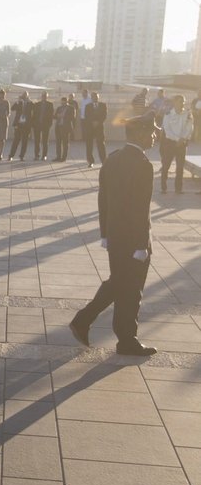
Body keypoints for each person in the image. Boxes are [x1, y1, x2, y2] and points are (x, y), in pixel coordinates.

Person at [69, 113, 160, 357]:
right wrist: (142, 245)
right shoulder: (143, 164)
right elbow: (141, 208)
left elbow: (103, 200)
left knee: (120, 284)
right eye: (151, 131)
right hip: (134, 241)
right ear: (140, 133)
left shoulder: (113, 159)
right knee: (131, 290)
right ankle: (97, 325)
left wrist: (105, 233)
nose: (154, 136)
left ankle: (120, 336)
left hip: (116, 237)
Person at [158, 94, 194, 194]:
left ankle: (178, 189)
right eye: (180, 101)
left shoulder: (188, 114)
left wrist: (182, 139)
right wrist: (178, 139)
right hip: (170, 143)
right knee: (166, 165)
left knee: (180, 167)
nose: (182, 103)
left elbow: (190, 128)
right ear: (174, 103)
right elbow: (167, 130)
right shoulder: (168, 114)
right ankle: (163, 187)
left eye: (183, 101)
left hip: (182, 144)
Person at [85, 92, 108, 168]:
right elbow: (87, 116)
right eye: (94, 97)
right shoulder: (88, 106)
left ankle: (104, 161)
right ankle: (90, 161)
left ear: (98, 97)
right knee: (89, 145)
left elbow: (104, 115)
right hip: (90, 128)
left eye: (96, 97)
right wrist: (92, 122)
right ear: (91, 98)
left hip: (99, 128)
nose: (95, 98)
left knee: (101, 145)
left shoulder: (103, 105)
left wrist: (98, 122)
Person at [8, 92, 33, 161]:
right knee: (16, 140)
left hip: (26, 125)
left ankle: (22, 156)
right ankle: (11, 155)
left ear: (28, 96)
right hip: (18, 124)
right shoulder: (19, 103)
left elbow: (34, 111)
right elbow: (12, 108)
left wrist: (30, 101)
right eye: (23, 96)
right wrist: (18, 101)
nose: (24, 97)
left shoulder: (30, 103)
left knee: (25, 141)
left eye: (26, 96)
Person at [32, 91, 55, 161]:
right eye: (43, 96)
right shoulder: (37, 104)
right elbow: (34, 115)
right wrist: (33, 124)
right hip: (37, 125)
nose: (44, 97)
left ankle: (44, 155)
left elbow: (51, 115)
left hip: (46, 125)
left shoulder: (50, 104)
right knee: (37, 141)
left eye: (45, 96)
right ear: (41, 97)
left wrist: (49, 124)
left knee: (45, 141)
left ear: (47, 97)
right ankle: (36, 155)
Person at [54, 96, 76, 162]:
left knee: (65, 143)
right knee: (58, 142)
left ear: (67, 102)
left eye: (64, 102)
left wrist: (64, 116)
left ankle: (64, 157)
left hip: (66, 127)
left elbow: (73, 117)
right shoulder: (59, 108)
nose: (62, 104)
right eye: (62, 102)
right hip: (58, 127)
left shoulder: (71, 108)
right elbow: (54, 116)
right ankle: (58, 156)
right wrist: (57, 116)